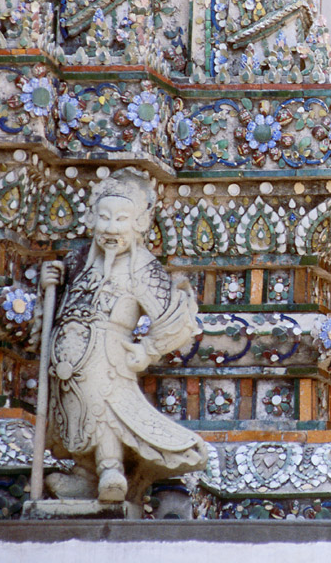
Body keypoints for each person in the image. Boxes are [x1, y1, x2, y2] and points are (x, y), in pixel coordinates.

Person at [41, 168, 207, 503]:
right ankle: (85, 476)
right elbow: (59, 305)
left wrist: (148, 349)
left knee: (106, 409)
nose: (110, 228)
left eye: (120, 219)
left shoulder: (143, 268)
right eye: (103, 218)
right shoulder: (79, 261)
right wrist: (49, 283)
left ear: (140, 224)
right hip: (67, 359)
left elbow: (178, 318)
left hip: (108, 353)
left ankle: (111, 468)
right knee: (76, 411)